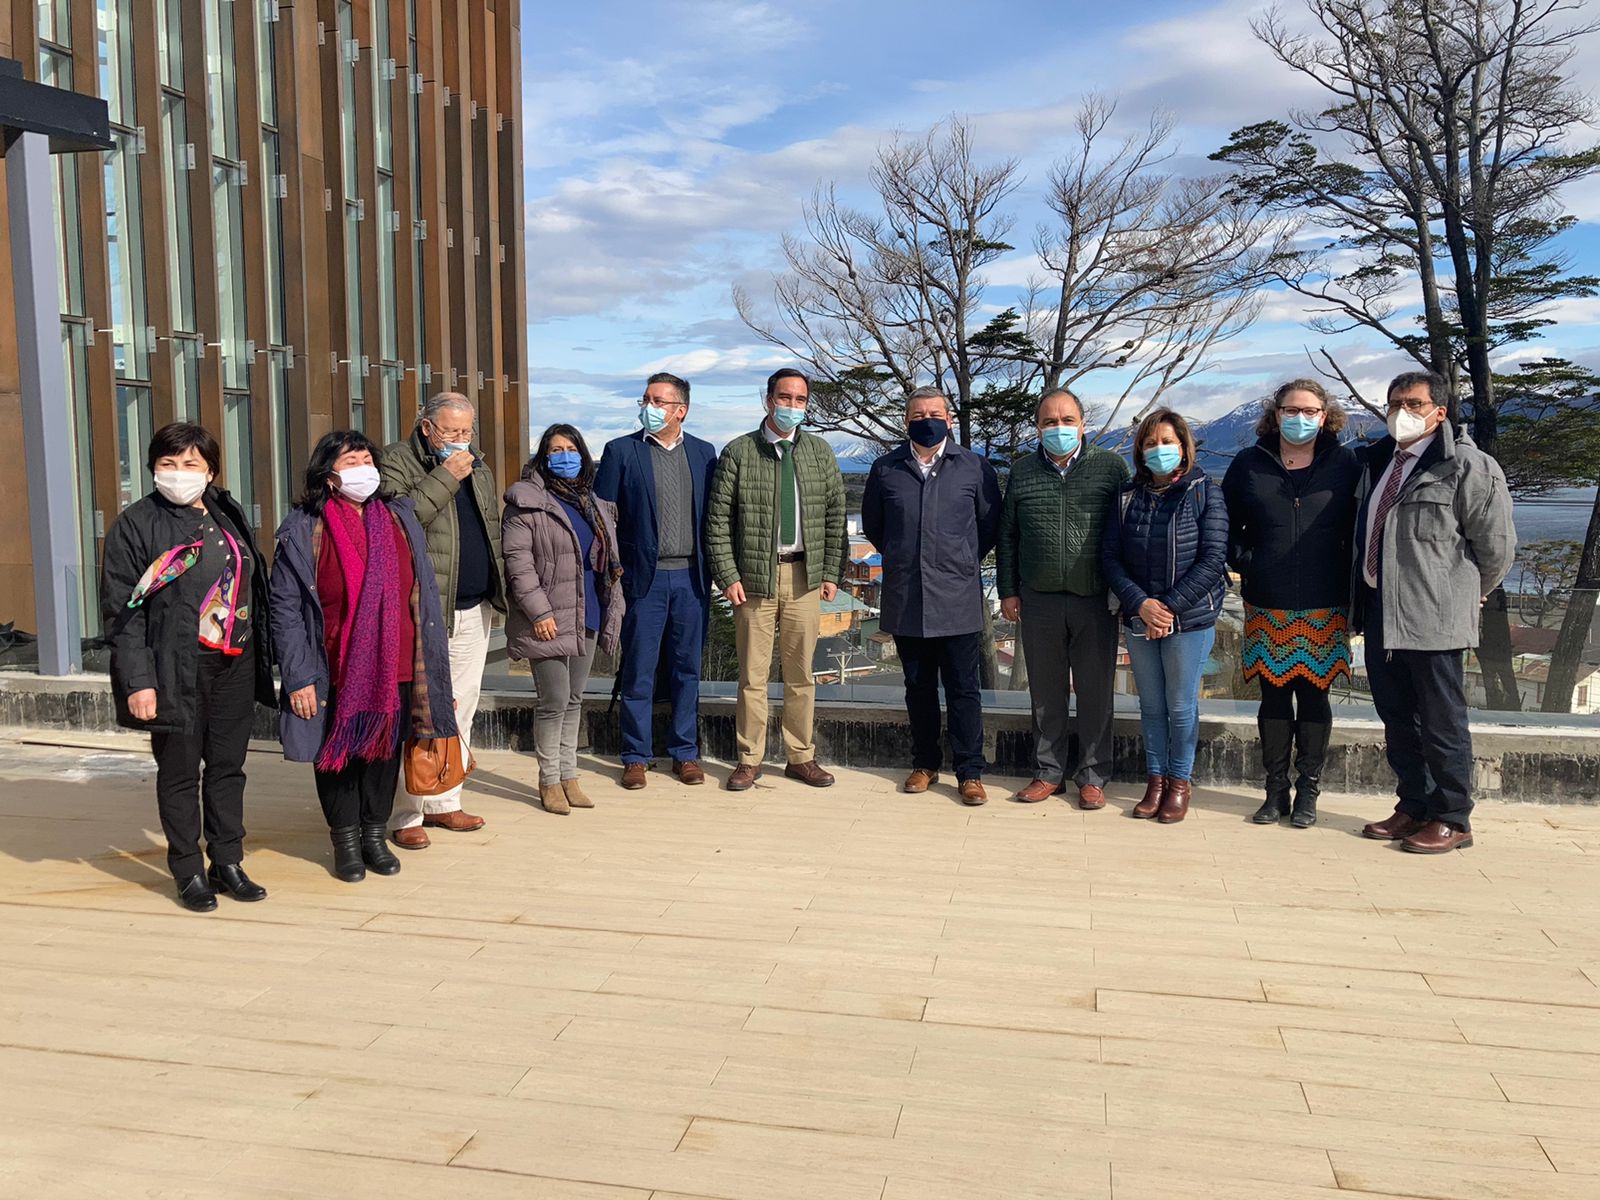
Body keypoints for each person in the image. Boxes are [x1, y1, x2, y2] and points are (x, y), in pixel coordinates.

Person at [99, 423, 276, 912]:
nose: (178, 474)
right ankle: (187, 869)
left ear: (211, 470)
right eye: (168, 464)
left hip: (233, 662)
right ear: (154, 468)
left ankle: (227, 860)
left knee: (227, 767)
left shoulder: (227, 511)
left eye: (190, 464)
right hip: (174, 665)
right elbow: (123, 613)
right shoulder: (136, 525)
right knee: (179, 772)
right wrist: (139, 682)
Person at [269, 432, 458, 882]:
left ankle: (375, 834)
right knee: (335, 755)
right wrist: (297, 676)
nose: (362, 467)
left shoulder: (397, 517)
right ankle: (346, 842)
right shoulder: (304, 526)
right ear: (327, 474)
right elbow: (285, 608)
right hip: (329, 662)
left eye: (367, 458)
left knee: (382, 752)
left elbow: (423, 590)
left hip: (395, 659)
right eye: (350, 460)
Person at [1355, 370, 1514, 853]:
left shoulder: (1467, 466)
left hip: (1435, 617)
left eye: (1415, 404)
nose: (1403, 412)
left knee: (1443, 721)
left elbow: (1497, 548)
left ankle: (1453, 817)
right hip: (1382, 611)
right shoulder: (1382, 461)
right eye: (1395, 403)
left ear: (1439, 412)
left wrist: (1466, 594)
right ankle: (1414, 805)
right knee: (1398, 717)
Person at [1222, 380, 1361, 829]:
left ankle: (1309, 792)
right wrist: (1248, 560)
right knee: (1274, 697)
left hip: (1326, 600)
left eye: (1310, 410)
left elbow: (1361, 528)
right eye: (1291, 409)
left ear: (1325, 415)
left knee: (1316, 696)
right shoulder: (1249, 463)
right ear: (1275, 413)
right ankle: (1275, 790)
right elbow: (1224, 524)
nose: (1300, 418)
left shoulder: (1346, 463)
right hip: (1268, 600)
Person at [706, 368, 847, 791]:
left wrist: (831, 572)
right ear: (768, 400)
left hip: (805, 575)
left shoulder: (820, 452)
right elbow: (717, 523)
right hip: (753, 580)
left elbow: (836, 517)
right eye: (784, 397)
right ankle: (749, 759)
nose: (791, 406)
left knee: (801, 674)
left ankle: (801, 756)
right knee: (753, 676)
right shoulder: (738, 452)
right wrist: (727, 575)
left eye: (800, 399)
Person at [862, 387, 1002, 805]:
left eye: (935, 413)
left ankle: (969, 772)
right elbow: (875, 527)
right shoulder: (886, 469)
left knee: (964, 689)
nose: (927, 419)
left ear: (950, 418)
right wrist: (909, 557)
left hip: (958, 598)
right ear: (906, 421)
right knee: (917, 687)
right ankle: (924, 764)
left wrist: (956, 560)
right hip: (907, 598)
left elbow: (988, 528)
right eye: (918, 414)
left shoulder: (974, 467)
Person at [378, 392, 505, 848]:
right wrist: (445, 477)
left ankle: (445, 800)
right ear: (426, 427)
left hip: (475, 604)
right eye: (451, 432)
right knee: (421, 709)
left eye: (467, 432)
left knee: (461, 706)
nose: (460, 440)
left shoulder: (480, 465)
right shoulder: (395, 461)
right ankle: (405, 812)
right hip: (426, 608)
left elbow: (490, 526)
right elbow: (399, 521)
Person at [997, 388, 1131, 810]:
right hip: (1038, 598)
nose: (1059, 428)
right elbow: (1007, 536)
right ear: (1037, 428)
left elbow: (1128, 532)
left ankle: (1092, 776)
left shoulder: (1111, 468)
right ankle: (1048, 773)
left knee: (1095, 692)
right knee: (1045, 692)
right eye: (1050, 422)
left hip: (1095, 598)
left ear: (1083, 424)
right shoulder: (1022, 472)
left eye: (1067, 420)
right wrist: (1008, 590)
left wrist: (1123, 590)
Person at [1102, 408, 1229, 824]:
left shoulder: (1204, 492)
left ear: (1184, 447)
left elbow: (1213, 560)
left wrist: (1169, 606)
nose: (1160, 450)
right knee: (1151, 706)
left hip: (1188, 619)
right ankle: (1154, 781)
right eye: (1151, 443)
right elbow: (1111, 559)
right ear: (1140, 450)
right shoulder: (1126, 496)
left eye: (1168, 442)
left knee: (1180, 704)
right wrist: (1141, 604)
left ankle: (1179, 783)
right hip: (1140, 616)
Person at [594, 372, 719, 790]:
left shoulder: (704, 454)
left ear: (681, 410)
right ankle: (635, 755)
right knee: (639, 670)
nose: (650, 406)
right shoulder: (621, 451)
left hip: (691, 579)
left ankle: (685, 753)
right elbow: (603, 520)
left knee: (687, 669)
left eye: (659, 401)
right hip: (641, 582)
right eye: (646, 399)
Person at [502, 425, 624, 814]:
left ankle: (570, 775)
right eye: (556, 449)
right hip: (548, 616)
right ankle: (548, 780)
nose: (564, 456)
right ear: (543, 456)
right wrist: (539, 612)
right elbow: (518, 565)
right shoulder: (526, 502)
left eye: (571, 448)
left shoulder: (595, 504)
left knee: (574, 699)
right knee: (552, 700)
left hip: (587, 609)